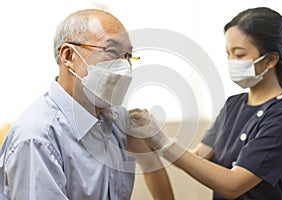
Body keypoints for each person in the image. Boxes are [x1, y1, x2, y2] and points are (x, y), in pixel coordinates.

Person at [0, 9, 174, 200]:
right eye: (112, 52)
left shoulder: (115, 118)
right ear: (68, 56)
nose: (124, 67)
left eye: (127, 56)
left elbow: (150, 165)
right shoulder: (38, 139)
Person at [130, 7, 282, 199]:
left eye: (239, 54)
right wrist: (154, 138)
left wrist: (162, 140)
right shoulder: (233, 105)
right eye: (228, 53)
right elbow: (198, 158)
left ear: (270, 59)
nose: (231, 61)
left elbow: (233, 185)